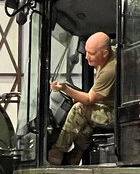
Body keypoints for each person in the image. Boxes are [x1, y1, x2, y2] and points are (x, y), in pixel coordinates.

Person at [47, 31, 116, 166]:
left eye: (91, 53)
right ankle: (74, 158)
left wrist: (65, 89)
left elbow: (89, 99)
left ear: (105, 53)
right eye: (86, 52)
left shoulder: (109, 70)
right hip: (111, 107)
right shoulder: (109, 56)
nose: (86, 57)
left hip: (114, 115)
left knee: (80, 109)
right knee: (85, 127)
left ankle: (58, 151)